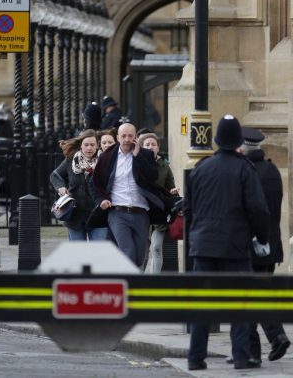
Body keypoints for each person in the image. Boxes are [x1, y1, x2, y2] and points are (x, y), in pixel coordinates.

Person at [185, 115, 271, 371]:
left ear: (217, 140)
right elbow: (258, 210)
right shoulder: (244, 168)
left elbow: (188, 208)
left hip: (203, 246)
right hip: (234, 246)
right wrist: (262, 237)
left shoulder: (201, 168)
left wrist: (197, 236)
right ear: (238, 142)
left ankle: (195, 358)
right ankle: (241, 356)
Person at [240, 127, 291, 362]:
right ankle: (266, 342)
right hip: (271, 245)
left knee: (248, 298)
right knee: (259, 294)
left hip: (250, 243)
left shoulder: (246, 172)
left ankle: (266, 343)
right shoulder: (271, 169)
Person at [92, 122, 166, 267]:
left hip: (141, 212)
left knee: (139, 257)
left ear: (136, 137)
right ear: (118, 137)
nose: (127, 139)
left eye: (130, 136)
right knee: (128, 252)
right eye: (123, 136)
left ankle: (128, 282)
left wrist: (138, 157)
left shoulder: (145, 154)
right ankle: (128, 286)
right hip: (117, 212)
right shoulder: (107, 157)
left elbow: (152, 176)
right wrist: (102, 200)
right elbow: (96, 183)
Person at [50, 129, 108, 241]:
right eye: (86, 145)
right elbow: (54, 175)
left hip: (98, 215)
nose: (89, 148)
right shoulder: (71, 160)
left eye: (92, 145)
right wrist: (61, 187)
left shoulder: (104, 161)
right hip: (75, 215)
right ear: (81, 145)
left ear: (98, 145)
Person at [139, 132, 179, 273]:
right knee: (142, 251)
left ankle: (153, 280)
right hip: (141, 212)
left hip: (159, 214)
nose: (151, 147)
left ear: (158, 147)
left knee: (156, 247)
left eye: (153, 144)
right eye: (147, 145)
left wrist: (173, 192)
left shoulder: (164, 166)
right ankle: (139, 281)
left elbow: (171, 187)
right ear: (141, 147)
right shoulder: (136, 163)